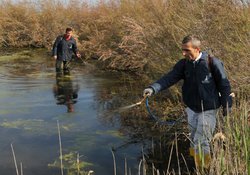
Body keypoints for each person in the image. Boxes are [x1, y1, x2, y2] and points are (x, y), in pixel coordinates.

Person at [143, 35, 232, 169]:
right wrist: (152, 88)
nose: (183, 53)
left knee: (201, 141)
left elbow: (224, 85)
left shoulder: (212, 63)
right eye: (182, 50)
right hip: (191, 109)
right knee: (193, 139)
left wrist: (226, 105)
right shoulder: (184, 64)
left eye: (187, 50)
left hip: (208, 109)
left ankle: (204, 168)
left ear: (197, 49)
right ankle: (194, 164)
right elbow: (169, 78)